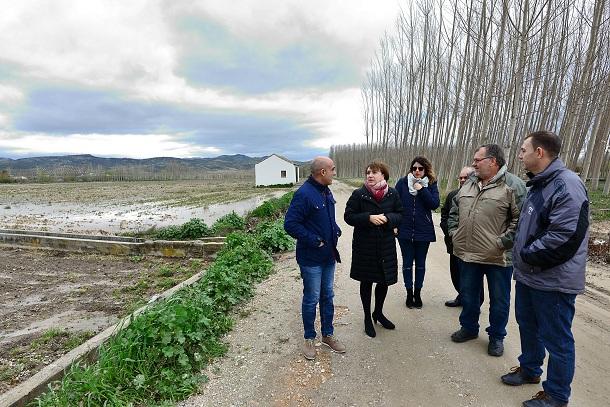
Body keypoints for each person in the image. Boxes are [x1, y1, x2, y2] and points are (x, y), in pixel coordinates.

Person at [501, 131, 589, 407]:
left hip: (553, 280)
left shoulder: (567, 185)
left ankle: (556, 395)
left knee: (557, 339)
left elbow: (565, 235)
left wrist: (526, 255)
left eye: (523, 149)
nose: (519, 154)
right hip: (531, 276)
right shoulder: (540, 184)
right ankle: (529, 369)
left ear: (539, 153)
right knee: (528, 326)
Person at [447, 144, 526, 357]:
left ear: (493, 161)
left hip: (498, 256)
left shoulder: (513, 185)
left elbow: (521, 221)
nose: (473, 163)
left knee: (499, 300)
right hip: (468, 253)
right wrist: (455, 233)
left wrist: (501, 243)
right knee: (469, 295)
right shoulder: (469, 183)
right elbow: (454, 211)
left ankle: (496, 336)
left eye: (477, 160)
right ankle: (469, 328)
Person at [284, 156, 345, 360]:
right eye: (333, 169)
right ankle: (309, 338)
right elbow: (290, 224)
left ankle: (328, 335)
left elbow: (324, 218)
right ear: (323, 172)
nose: (335, 173)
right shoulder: (304, 194)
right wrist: (314, 240)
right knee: (312, 299)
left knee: (327, 296)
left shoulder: (326, 191)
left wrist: (334, 229)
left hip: (328, 255)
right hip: (311, 258)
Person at [344, 161, 403, 337]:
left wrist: (387, 219)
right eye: (368, 172)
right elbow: (348, 216)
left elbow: (400, 214)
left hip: (385, 244)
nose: (370, 175)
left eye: (374, 172)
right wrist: (368, 217)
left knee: (384, 280)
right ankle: (367, 318)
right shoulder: (359, 194)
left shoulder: (392, 194)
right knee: (367, 280)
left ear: (383, 175)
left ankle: (378, 312)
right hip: (365, 246)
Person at [395, 156, 440, 309]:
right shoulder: (402, 183)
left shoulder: (431, 184)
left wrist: (422, 189)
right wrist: (395, 224)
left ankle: (418, 294)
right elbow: (394, 204)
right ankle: (409, 293)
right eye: (414, 168)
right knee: (407, 263)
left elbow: (434, 204)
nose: (417, 171)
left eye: (420, 168)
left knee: (420, 264)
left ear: (425, 169)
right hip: (404, 230)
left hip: (423, 230)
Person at [440, 166, 484, 307]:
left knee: (472, 275)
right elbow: (445, 215)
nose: (463, 180)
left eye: (466, 177)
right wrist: (450, 231)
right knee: (456, 273)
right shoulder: (453, 194)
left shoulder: (480, 194)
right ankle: (461, 296)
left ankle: (475, 301)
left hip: (473, 245)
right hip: (454, 242)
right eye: (461, 177)